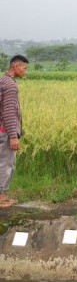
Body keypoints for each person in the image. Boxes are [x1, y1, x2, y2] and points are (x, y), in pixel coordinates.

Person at [0, 55, 29, 209]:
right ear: (15, 67)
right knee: (6, 164)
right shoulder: (10, 85)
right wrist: (13, 136)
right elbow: (9, 112)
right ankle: (1, 197)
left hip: (1, 129)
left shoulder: (2, 80)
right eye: (24, 68)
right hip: (5, 131)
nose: (25, 72)